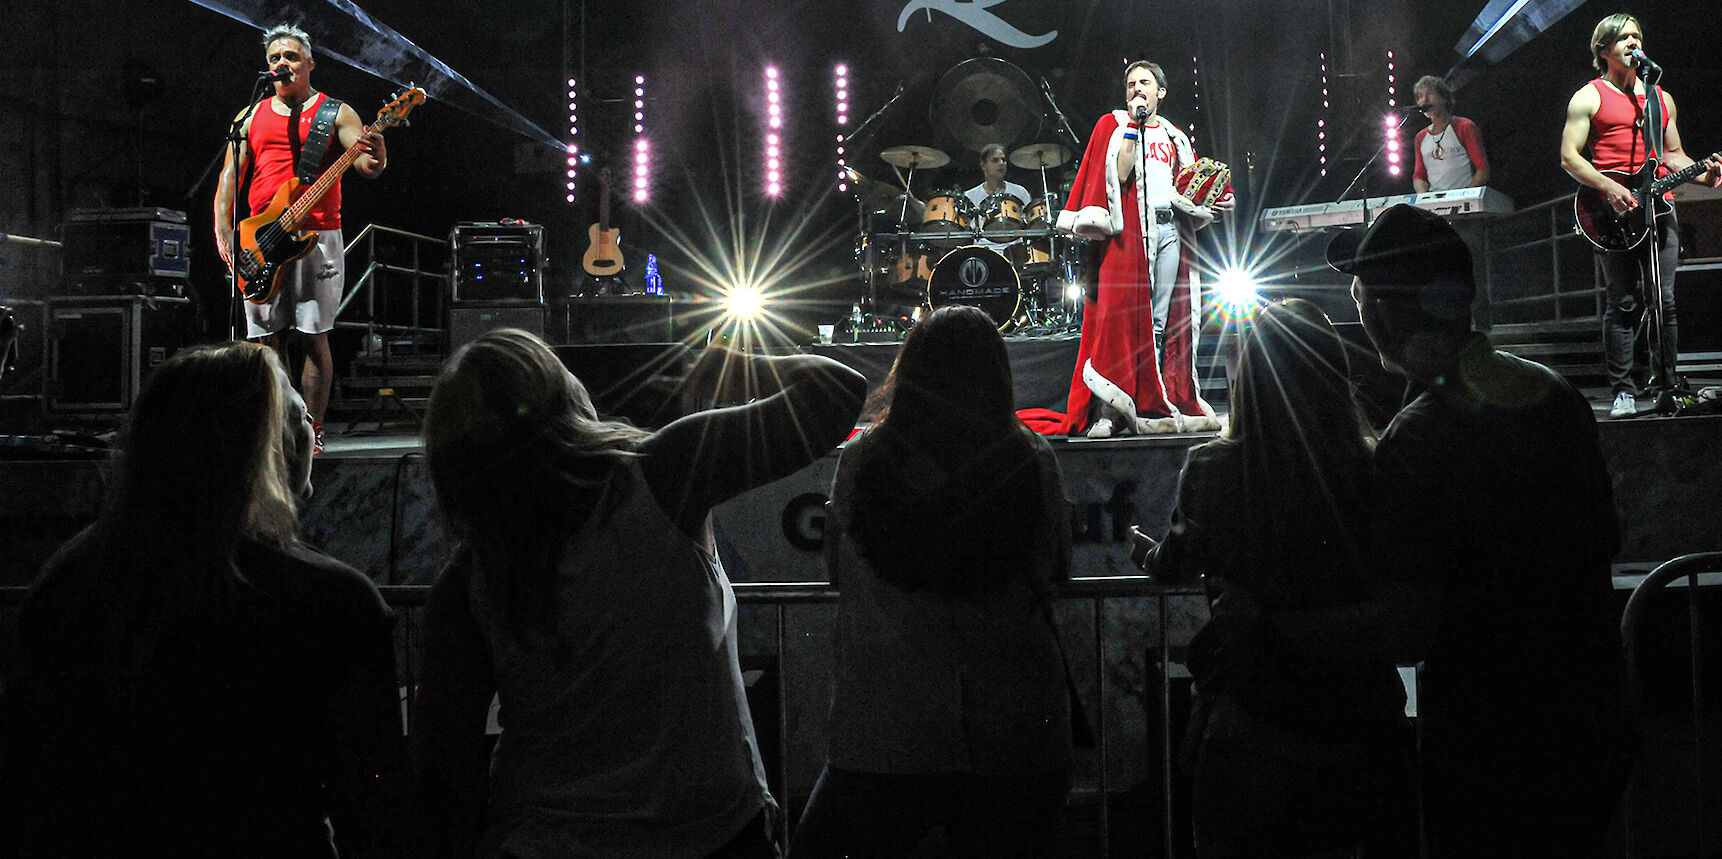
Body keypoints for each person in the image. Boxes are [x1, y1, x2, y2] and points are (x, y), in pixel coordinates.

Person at [410, 330, 866, 859]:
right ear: (564, 398)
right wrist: (740, 367)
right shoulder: (663, 474)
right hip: (708, 835)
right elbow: (837, 393)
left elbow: (444, 763)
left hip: (543, 839)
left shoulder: (467, 579)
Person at [1275, 204, 1632, 857]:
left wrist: (1274, 630)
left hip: (1489, 747)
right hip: (1591, 716)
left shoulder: (1419, 437)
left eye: (1361, 297)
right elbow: (1607, 537)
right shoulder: (1555, 395)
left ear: (1383, 313)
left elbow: (1406, 626)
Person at [3, 342, 411, 857]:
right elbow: (373, 799)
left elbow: (26, 771)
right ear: (269, 449)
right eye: (300, 417)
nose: (311, 427)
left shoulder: (69, 581)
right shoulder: (332, 600)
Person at [1132, 299, 1416, 858]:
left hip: (1255, 711)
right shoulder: (1372, 466)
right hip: (1357, 714)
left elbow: (1178, 559)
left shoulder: (1213, 467)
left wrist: (1151, 556)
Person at [788, 306, 1072, 859]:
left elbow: (836, 569)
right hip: (1012, 731)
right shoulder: (1032, 459)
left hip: (889, 731)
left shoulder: (863, 460)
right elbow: (1056, 568)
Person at [212, 22, 387, 446]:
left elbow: (366, 166)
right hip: (261, 237)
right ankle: (279, 429)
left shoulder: (336, 112)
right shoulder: (250, 116)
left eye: (291, 56)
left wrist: (378, 152)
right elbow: (229, 177)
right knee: (265, 340)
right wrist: (223, 229)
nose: (282, 63)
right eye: (275, 58)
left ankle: (313, 429)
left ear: (310, 63)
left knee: (312, 336)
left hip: (318, 236)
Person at [1041, 59, 1230, 437]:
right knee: (1121, 324)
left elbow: (1190, 185)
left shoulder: (1175, 136)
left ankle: (1153, 402)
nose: (1136, 89)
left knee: (1160, 323)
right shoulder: (1114, 126)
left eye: (1144, 83)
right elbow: (1120, 173)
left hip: (1170, 231)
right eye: (1131, 84)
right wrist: (1133, 124)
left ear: (1161, 92)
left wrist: (1220, 200)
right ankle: (1110, 411)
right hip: (1129, 239)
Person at [1559, 13, 1722, 418]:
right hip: (1610, 210)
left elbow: (1674, 155)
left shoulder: (1660, 98)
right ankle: (1623, 391)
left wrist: (1705, 176)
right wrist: (1609, 186)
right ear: (1604, 50)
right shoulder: (1589, 97)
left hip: (1659, 206)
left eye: (1637, 36)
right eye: (1624, 38)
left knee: (1663, 300)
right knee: (1623, 302)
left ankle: (1668, 384)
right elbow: (1569, 157)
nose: (1634, 43)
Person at [1409, 75, 1489, 194]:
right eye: (1420, 96)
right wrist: (1424, 197)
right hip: (1434, 201)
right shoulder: (1420, 137)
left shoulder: (1464, 126)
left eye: (1430, 94)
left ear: (1444, 98)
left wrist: (1466, 195)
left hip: (1462, 198)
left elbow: (1483, 169)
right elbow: (1419, 176)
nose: (1424, 100)